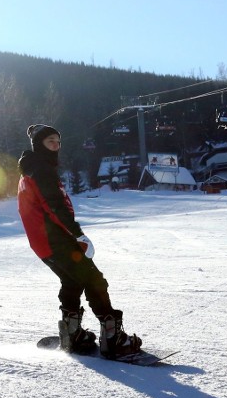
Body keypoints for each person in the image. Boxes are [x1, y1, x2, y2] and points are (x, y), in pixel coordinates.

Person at [17, 124, 142, 359]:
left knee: (72, 281)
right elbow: (55, 207)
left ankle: (72, 334)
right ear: (39, 145)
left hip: (45, 243)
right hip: (55, 239)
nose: (56, 145)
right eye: (50, 141)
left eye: (57, 141)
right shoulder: (41, 171)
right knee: (94, 280)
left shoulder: (32, 169)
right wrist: (78, 235)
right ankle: (113, 339)